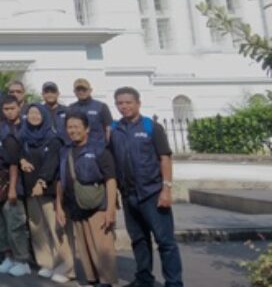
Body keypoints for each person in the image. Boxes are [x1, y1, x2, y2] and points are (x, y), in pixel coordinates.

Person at [110, 87, 183, 287]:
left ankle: (174, 282)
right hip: (129, 195)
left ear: (138, 103)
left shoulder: (152, 127)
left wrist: (166, 189)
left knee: (165, 242)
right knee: (139, 240)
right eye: (120, 103)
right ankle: (144, 279)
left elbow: (165, 158)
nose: (124, 106)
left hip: (152, 194)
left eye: (128, 102)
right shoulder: (115, 130)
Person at [56, 114, 118, 287]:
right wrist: (59, 206)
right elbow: (60, 180)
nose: (73, 130)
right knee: (84, 247)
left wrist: (110, 209)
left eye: (76, 126)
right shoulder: (65, 151)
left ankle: (106, 281)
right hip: (75, 205)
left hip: (97, 205)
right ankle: (92, 279)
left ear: (87, 129)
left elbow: (110, 179)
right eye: (69, 127)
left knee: (102, 246)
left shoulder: (99, 149)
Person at [19, 104, 74, 284]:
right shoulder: (24, 137)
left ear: (44, 116)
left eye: (37, 113)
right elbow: (18, 154)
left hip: (48, 190)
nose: (34, 116)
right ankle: (47, 263)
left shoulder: (53, 139)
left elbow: (52, 162)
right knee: (38, 228)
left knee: (56, 228)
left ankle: (66, 267)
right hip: (30, 190)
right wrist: (21, 159)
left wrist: (42, 181)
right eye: (30, 113)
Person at [0, 109, 32, 277]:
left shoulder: (7, 137)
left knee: (14, 225)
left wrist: (12, 189)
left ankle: (22, 261)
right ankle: (8, 257)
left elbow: (13, 164)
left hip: (9, 186)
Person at [68, 78, 112, 148]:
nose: (81, 92)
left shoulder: (101, 106)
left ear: (90, 90)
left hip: (98, 146)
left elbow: (109, 127)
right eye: (78, 90)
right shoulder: (71, 108)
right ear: (74, 92)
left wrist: (108, 145)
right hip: (78, 147)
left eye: (84, 90)